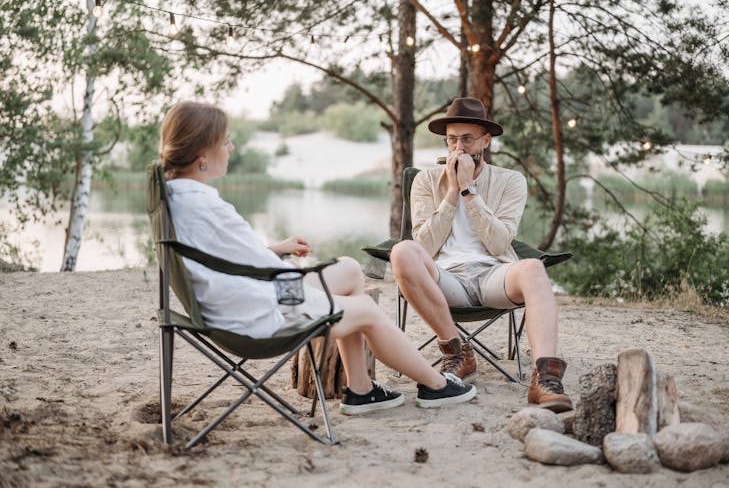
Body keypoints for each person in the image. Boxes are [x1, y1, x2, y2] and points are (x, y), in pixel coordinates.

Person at [158, 100, 476, 416]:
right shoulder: (208, 206)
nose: (232, 147)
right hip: (256, 313)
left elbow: (223, 257)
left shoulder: (180, 196)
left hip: (239, 298)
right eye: (225, 141)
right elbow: (257, 267)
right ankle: (437, 385)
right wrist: (295, 273)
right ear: (202, 158)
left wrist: (278, 250)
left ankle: (360, 390)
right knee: (365, 308)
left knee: (350, 270)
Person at [389, 97, 573, 412]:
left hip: (494, 275)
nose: (458, 147)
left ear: (485, 141)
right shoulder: (426, 180)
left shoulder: (510, 181)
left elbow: (502, 244)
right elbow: (424, 245)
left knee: (533, 269)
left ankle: (545, 378)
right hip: (445, 279)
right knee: (403, 251)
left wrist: (469, 191)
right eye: (452, 139)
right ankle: (457, 352)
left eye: (467, 139)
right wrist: (450, 191)